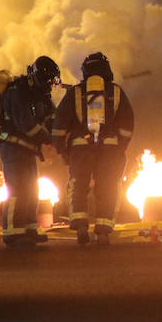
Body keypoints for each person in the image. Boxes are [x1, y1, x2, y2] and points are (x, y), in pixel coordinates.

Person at [52, 52, 134, 245]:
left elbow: (59, 126)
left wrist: (64, 152)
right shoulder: (116, 92)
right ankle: (103, 230)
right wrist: (119, 147)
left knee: (78, 186)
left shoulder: (75, 93)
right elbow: (127, 126)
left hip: (80, 151)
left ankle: (81, 225)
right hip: (110, 152)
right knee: (108, 187)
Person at [0, 55, 61, 247]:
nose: (49, 85)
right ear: (35, 76)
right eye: (47, 81)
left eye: (52, 81)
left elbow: (52, 117)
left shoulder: (41, 94)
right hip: (13, 148)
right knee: (17, 190)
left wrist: (59, 133)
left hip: (28, 150)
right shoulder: (17, 93)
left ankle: (29, 229)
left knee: (32, 190)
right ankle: (12, 233)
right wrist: (49, 139)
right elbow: (27, 125)